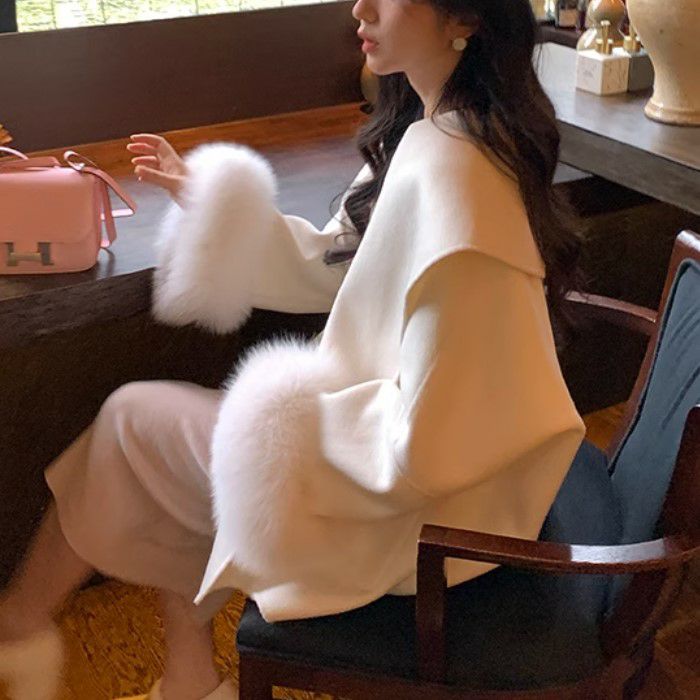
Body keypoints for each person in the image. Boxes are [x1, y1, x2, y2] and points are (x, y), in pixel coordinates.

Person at [0, 0, 587, 698]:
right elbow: (342, 262)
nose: (360, 8)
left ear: (465, 19)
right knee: (155, 444)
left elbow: (437, 438)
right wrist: (205, 199)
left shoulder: (457, 175)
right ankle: (180, 675)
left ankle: (20, 629)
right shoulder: (439, 135)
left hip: (425, 519)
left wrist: (287, 433)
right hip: (417, 472)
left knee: (134, 426)